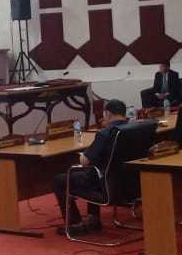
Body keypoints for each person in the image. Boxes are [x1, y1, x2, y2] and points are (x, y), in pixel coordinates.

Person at [53, 99, 128, 235]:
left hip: (105, 184)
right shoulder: (133, 128)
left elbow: (85, 161)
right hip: (128, 184)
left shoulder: (105, 133)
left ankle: (74, 224)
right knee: (92, 172)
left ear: (108, 114)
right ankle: (93, 219)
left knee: (60, 180)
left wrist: (82, 154)